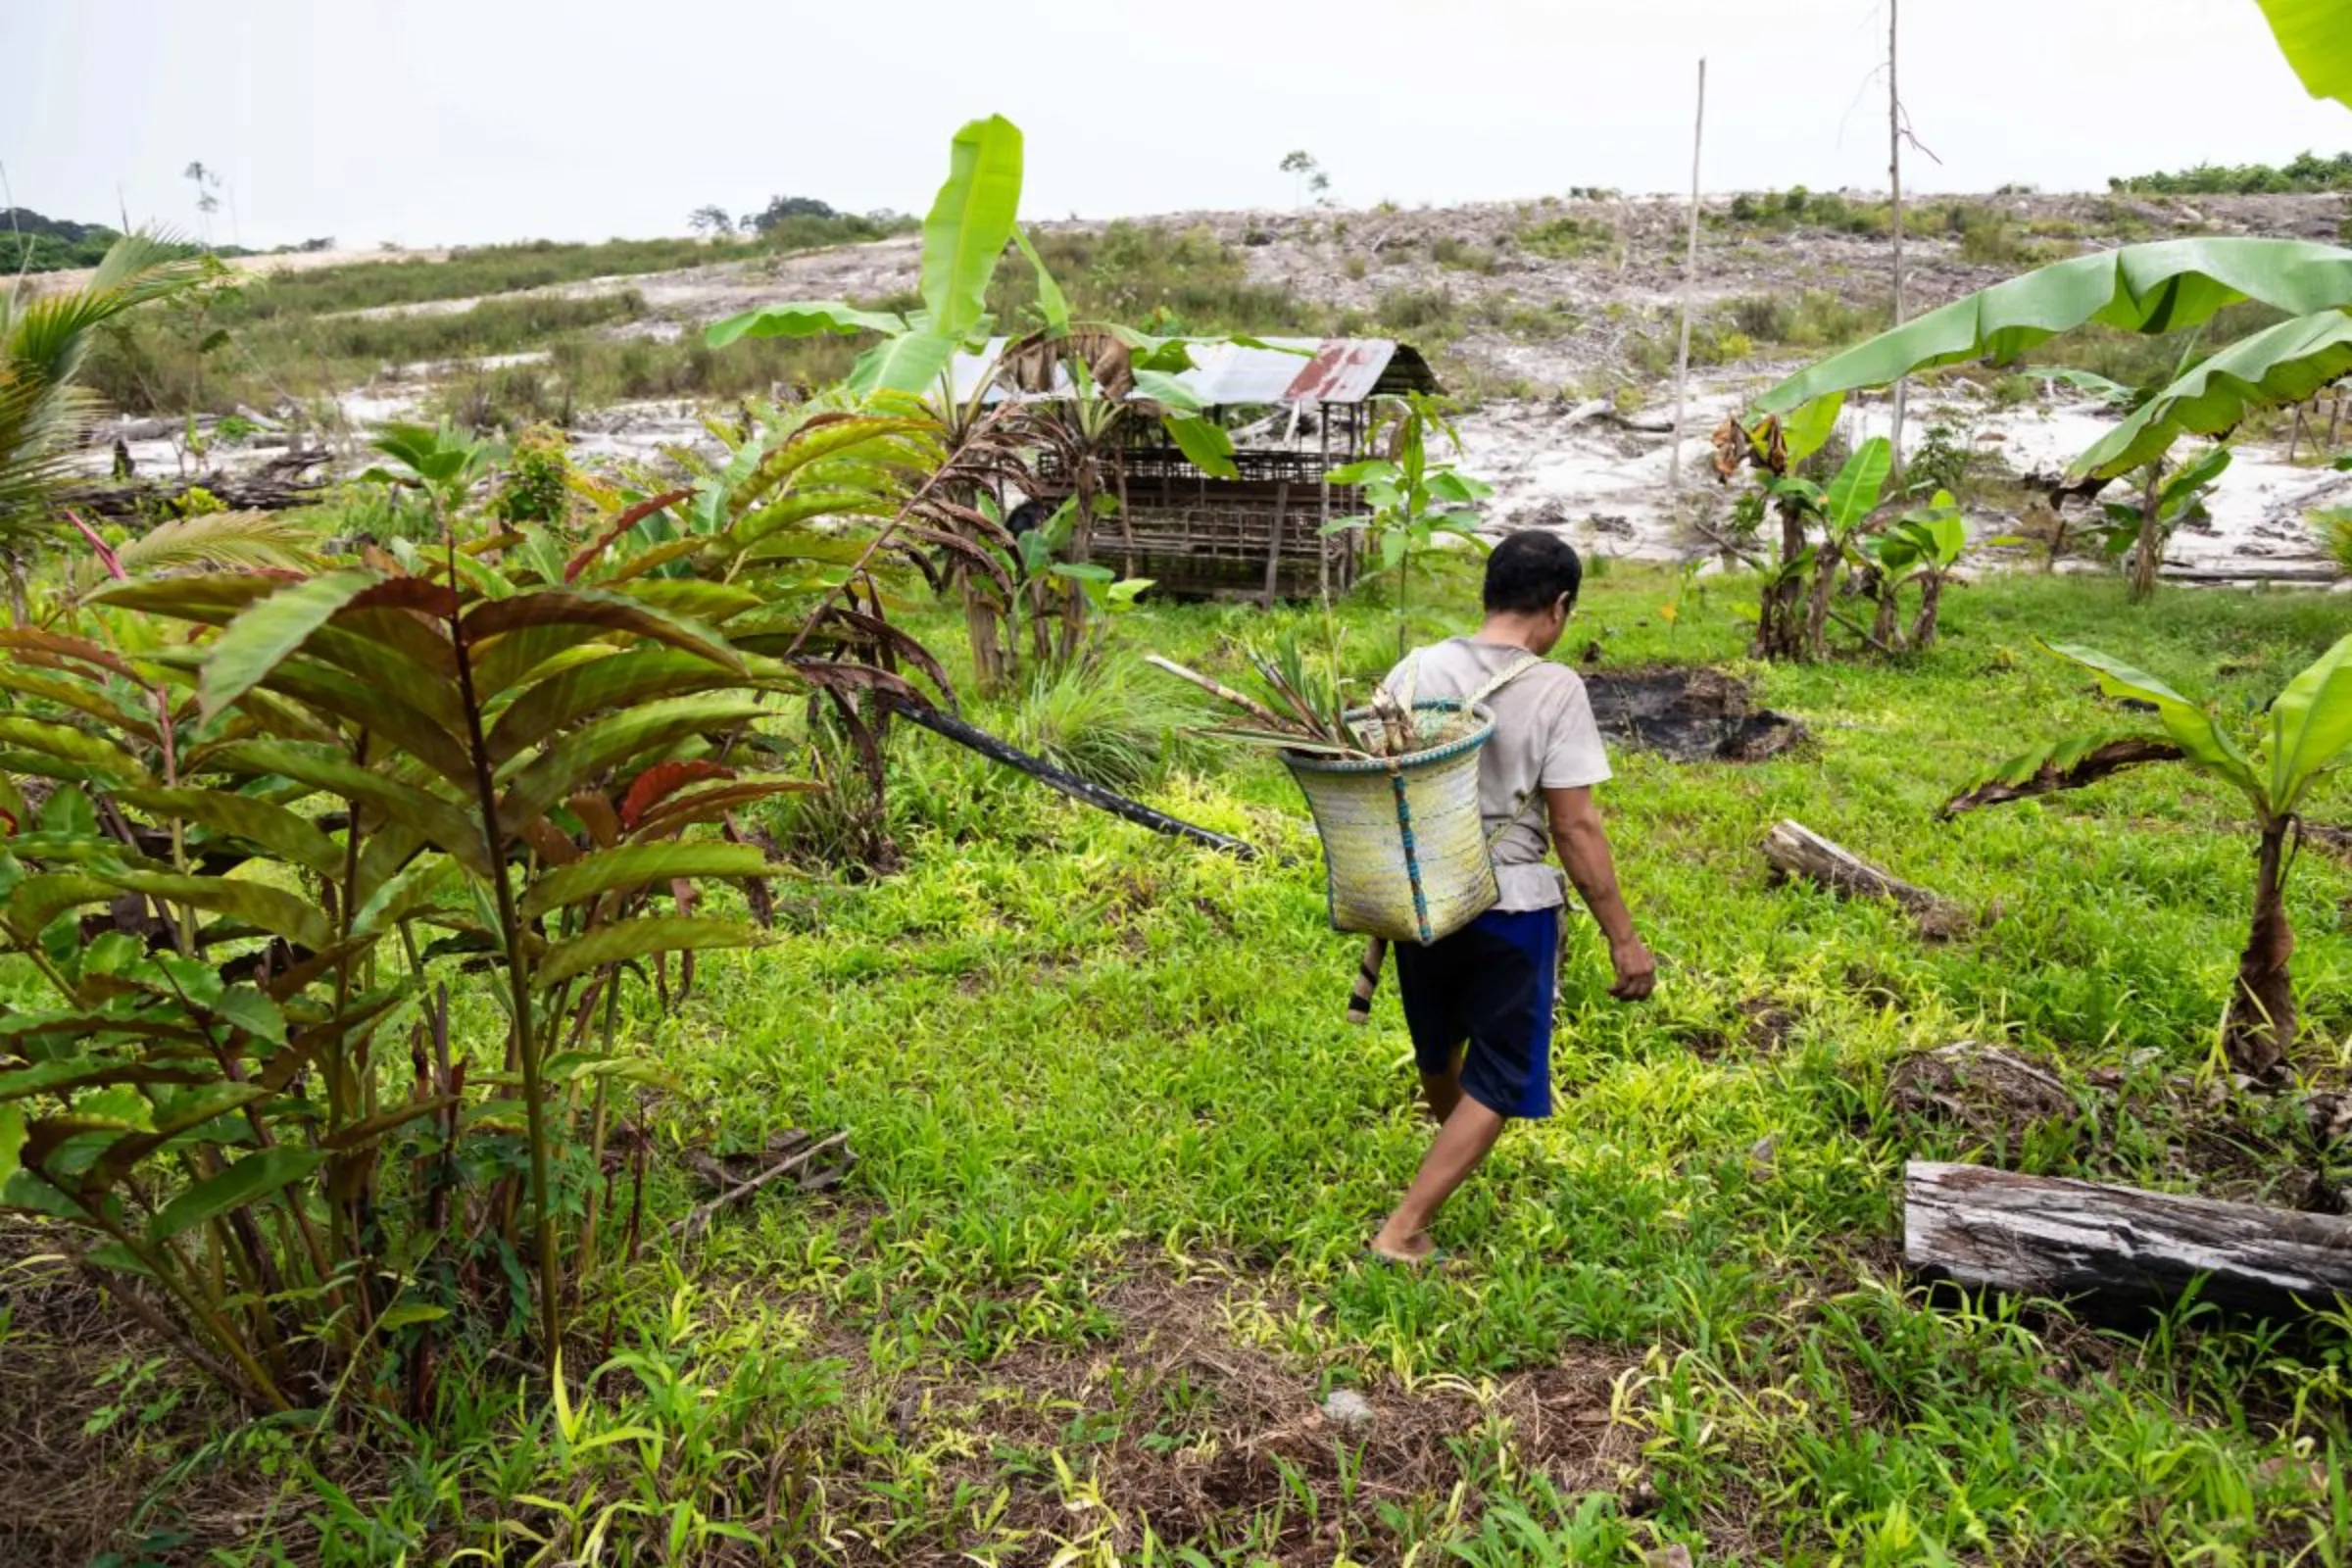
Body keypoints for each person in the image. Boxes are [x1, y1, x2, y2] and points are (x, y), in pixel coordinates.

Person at [1369, 530, 1653, 1265]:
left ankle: (1443, 1174)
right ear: (1558, 608)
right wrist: (1622, 935)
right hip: (1510, 903)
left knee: (1440, 1048)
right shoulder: (1555, 687)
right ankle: (1404, 1229)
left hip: (1420, 893)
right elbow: (1576, 826)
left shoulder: (1416, 666)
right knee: (1504, 1072)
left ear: (1488, 594)